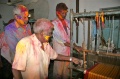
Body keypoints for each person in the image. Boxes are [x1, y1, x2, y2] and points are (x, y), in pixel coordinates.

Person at [12, 18, 81, 79]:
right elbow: (16, 69)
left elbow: (55, 56)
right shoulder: (25, 44)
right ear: (42, 32)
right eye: (50, 33)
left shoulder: (45, 44)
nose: (51, 36)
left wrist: (71, 59)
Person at [52, 3, 82, 79]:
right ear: (57, 12)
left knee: (66, 73)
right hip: (59, 54)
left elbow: (70, 38)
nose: (64, 15)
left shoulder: (68, 22)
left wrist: (75, 45)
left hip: (68, 52)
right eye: (63, 13)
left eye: (65, 13)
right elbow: (62, 41)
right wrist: (75, 47)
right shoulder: (53, 24)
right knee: (58, 74)